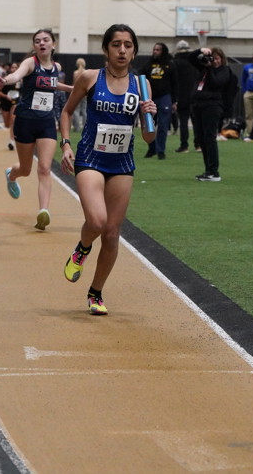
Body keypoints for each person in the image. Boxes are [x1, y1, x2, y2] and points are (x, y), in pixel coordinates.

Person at [59, 24, 156, 316]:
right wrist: (66, 144)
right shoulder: (90, 77)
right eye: (116, 44)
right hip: (90, 158)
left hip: (122, 164)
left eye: (128, 45)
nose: (122, 50)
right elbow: (67, 111)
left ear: (134, 51)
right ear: (106, 49)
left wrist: (150, 115)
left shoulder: (141, 85)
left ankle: (96, 292)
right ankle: (82, 248)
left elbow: (149, 137)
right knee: (97, 221)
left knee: (112, 234)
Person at [0, 29, 72, 230]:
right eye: (38, 41)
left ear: (53, 44)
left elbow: (53, 84)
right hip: (25, 121)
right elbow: (16, 75)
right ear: (34, 46)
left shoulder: (56, 66)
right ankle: (11, 174)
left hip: (46, 122)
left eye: (46, 40)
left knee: (45, 168)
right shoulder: (30, 63)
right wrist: (5, 80)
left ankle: (43, 211)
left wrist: (73, 89)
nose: (42, 43)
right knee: (25, 169)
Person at [189, 46, 237, 181]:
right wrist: (201, 51)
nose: (214, 61)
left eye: (217, 59)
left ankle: (214, 172)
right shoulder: (203, 68)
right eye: (212, 58)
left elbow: (216, 83)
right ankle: (208, 170)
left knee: (210, 138)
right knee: (201, 139)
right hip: (198, 105)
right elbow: (190, 58)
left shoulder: (225, 71)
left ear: (222, 59)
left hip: (212, 106)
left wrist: (209, 68)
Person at [141, 43, 178, 159]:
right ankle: (152, 148)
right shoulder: (148, 64)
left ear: (163, 51)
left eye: (158, 50)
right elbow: (141, 77)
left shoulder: (170, 65)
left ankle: (161, 150)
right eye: (154, 49)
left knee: (163, 125)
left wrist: (174, 101)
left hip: (164, 97)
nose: (155, 51)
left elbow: (175, 84)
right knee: (149, 124)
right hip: (151, 98)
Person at [172, 40, 197, 153]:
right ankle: (198, 145)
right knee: (196, 122)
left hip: (181, 96)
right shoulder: (194, 62)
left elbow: (175, 81)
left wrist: (175, 98)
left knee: (183, 122)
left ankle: (184, 145)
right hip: (195, 95)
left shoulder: (175, 63)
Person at [0, 61, 19, 150]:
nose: (14, 69)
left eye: (16, 67)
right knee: (7, 124)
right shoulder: (6, 79)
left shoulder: (21, 79)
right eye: (13, 67)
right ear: (10, 69)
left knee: (13, 121)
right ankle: (12, 135)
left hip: (15, 102)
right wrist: (6, 96)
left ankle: (12, 141)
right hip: (5, 102)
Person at [70, 58, 87, 132]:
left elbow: (74, 84)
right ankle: (85, 127)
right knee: (84, 110)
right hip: (85, 93)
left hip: (77, 92)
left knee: (76, 110)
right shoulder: (86, 72)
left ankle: (77, 127)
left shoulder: (75, 73)